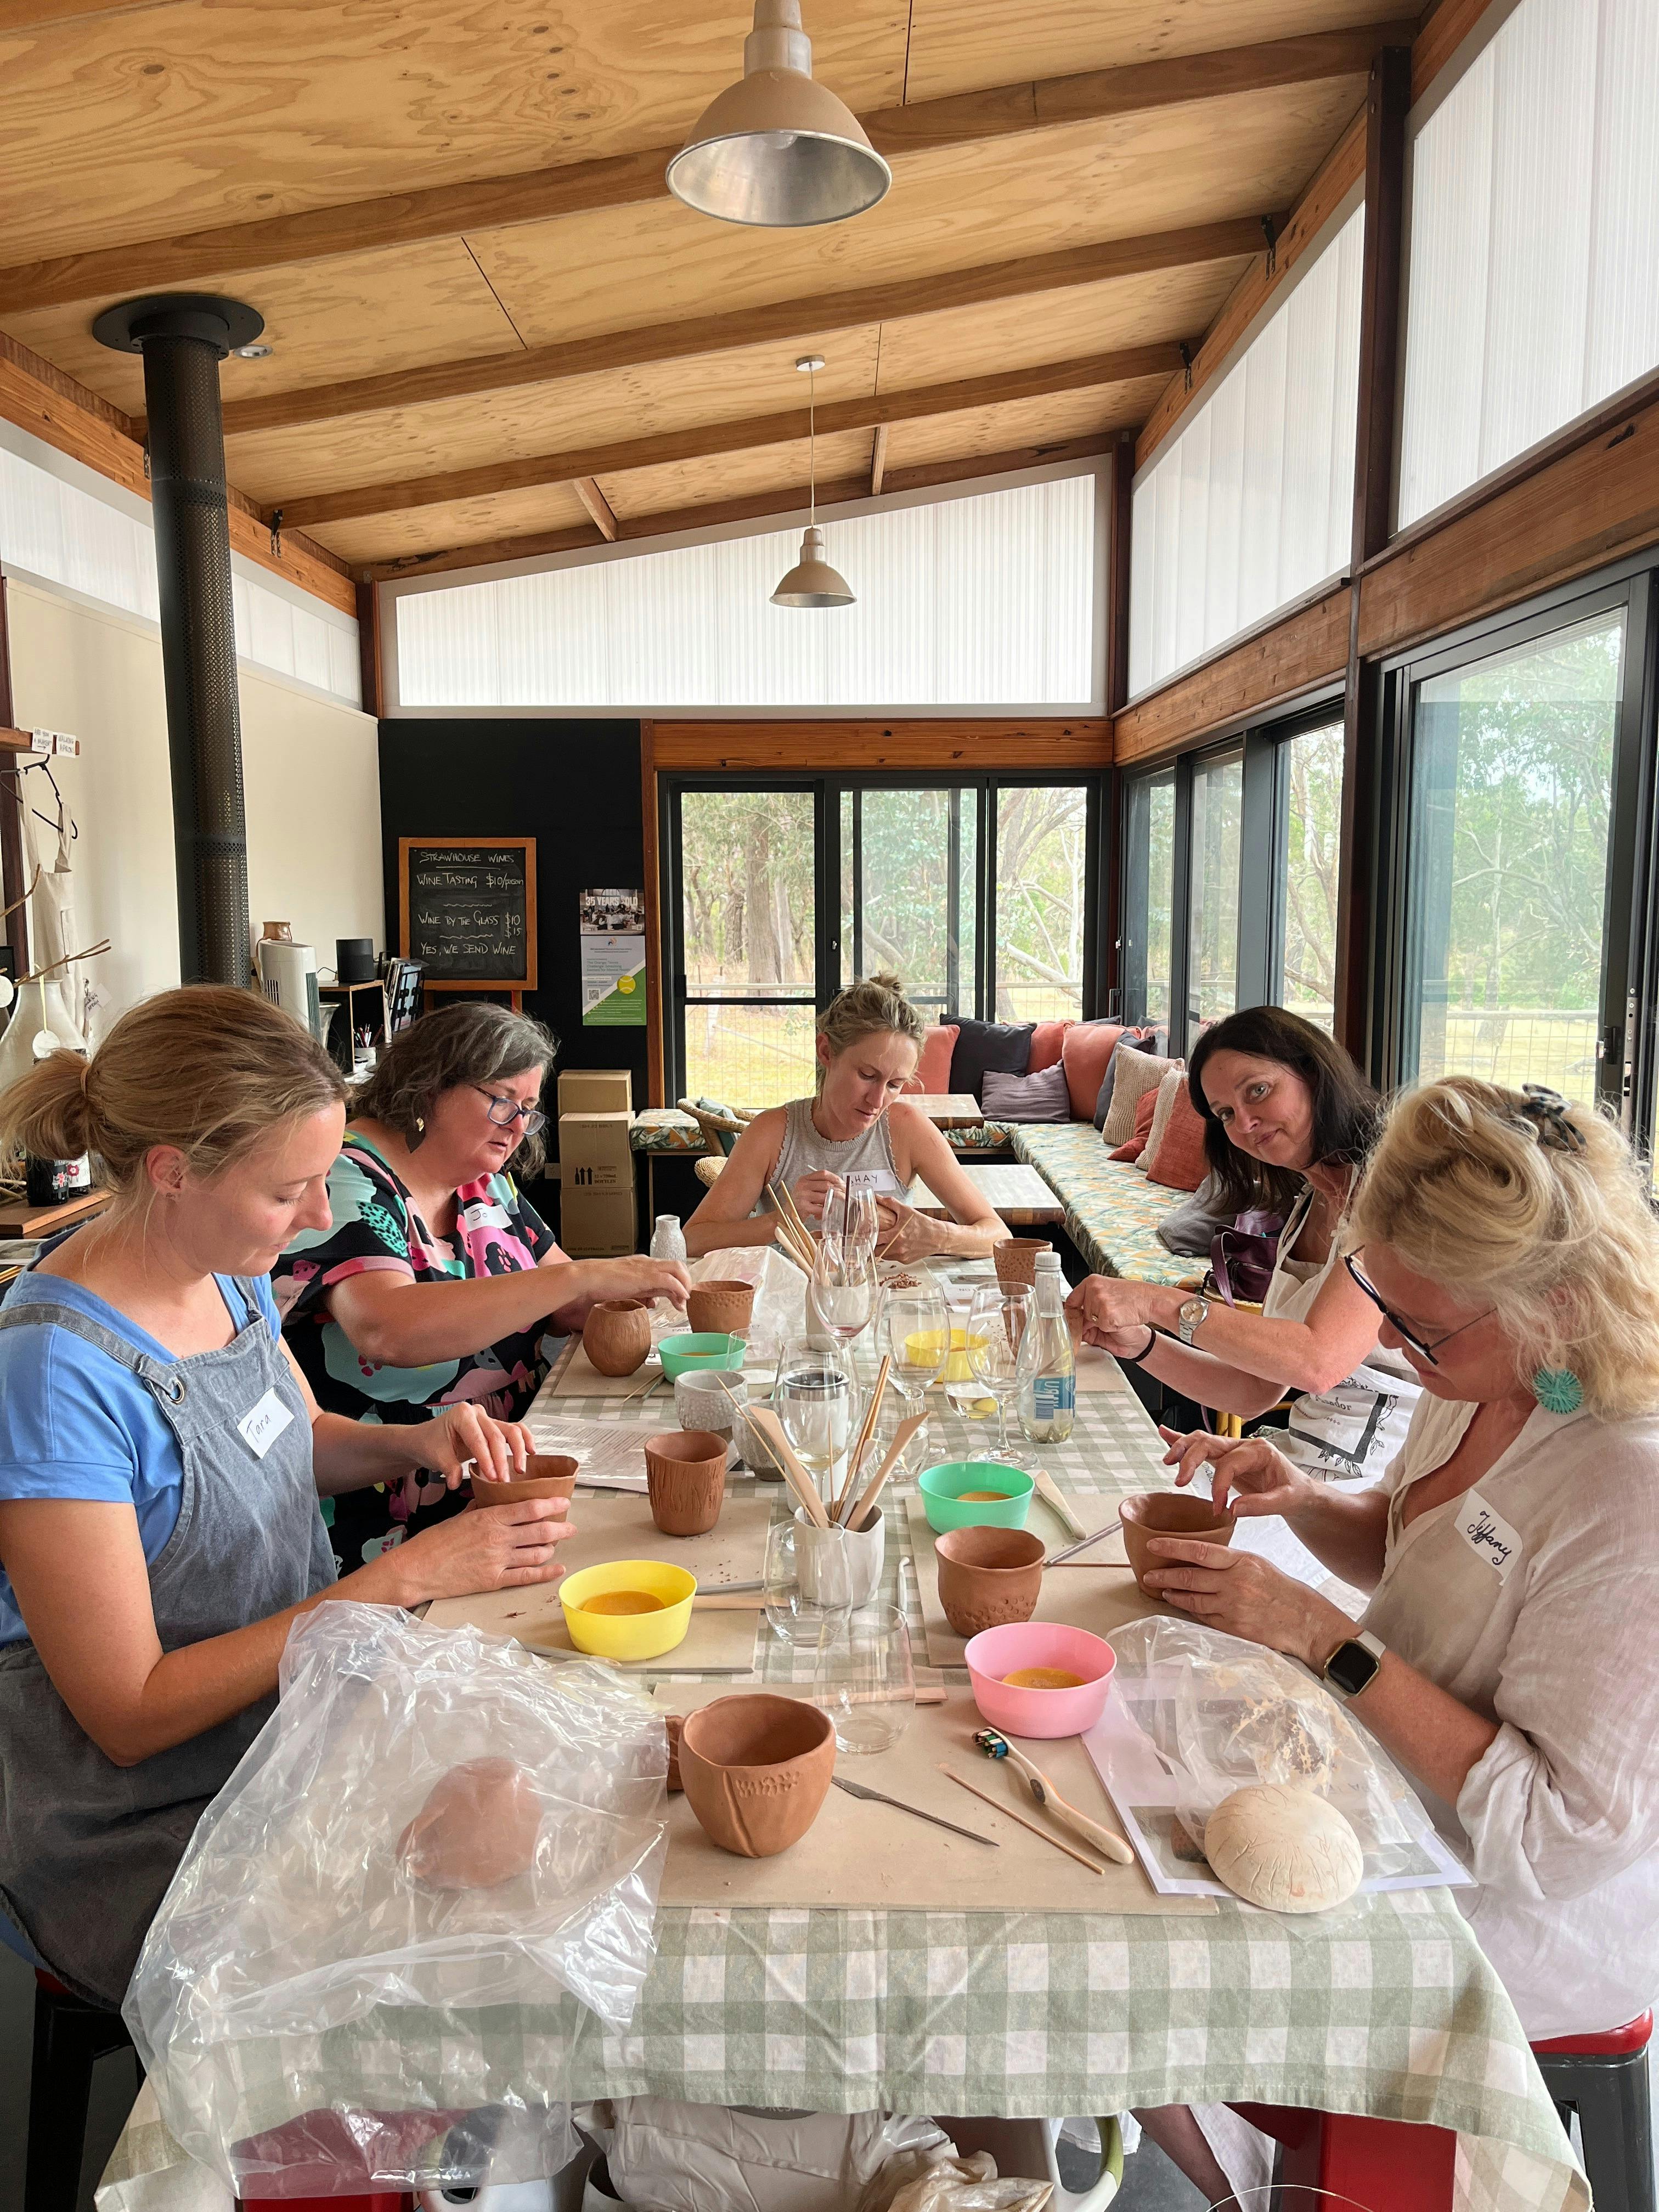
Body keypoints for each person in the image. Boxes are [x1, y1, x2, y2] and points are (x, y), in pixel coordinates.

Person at [1134, 1077, 1659, 2206]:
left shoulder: (1630, 1481)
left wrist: (1325, 1640)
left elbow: (1559, 1836)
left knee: (1131, 1950)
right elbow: (1420, 1555)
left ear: (1556, 1301)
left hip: (1513, 1912)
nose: (1398, 1347)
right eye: (1382, 1299)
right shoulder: (1486, 1375)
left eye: (1421, 1326)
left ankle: (1267, 2181)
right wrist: (1305, 1496)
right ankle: (1242, 2174)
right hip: (1388, 1793)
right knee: (1114, 1815)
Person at [0, 988, 574, 2007]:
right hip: (143, 1816)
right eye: (289, 1191)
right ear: (173, 1172)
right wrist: (398, 1580)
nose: (319, 1217)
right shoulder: (53, 1374)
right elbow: (127, 1713)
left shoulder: (226, 1269)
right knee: (485, 1944)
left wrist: (417, 1440)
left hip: (287, 1722)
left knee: (549, 1793)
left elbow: (299, 1441)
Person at [274, 1001, 688, 1570]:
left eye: (529, 1110)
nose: (518, 1126)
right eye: (502, 1102)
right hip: (398, 1521)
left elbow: (566, 1302)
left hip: (512, 1473)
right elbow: (386, 1327)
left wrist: (639, 1291)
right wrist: (581, 1275)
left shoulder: (483, 1185)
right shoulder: (348, 1177)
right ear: (429, 1085)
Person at [1066, 1006, 1419, 1485]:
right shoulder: (1308, 1206)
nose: (1246, 1124)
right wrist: (1141, 1344)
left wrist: (1156, 1300)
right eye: (1226, 1114)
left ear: (1313, 1073)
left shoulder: (1389, 1196)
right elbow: (1254, 1390)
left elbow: (1318, 1363)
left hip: (1381, 1487)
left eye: (1259, 1091)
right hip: (1307, 1466)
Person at [682, 974, 1008, 1263]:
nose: (878, 1101)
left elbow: (997, 1234)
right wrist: (782, 1222)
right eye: (867, 1075)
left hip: (887, 1305)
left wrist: (936, 1236)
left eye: (895, 1084)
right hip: (793, 1308)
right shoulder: (773, 1133)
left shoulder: (907, 1128)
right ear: (826, 1051)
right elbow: (693, 1240)